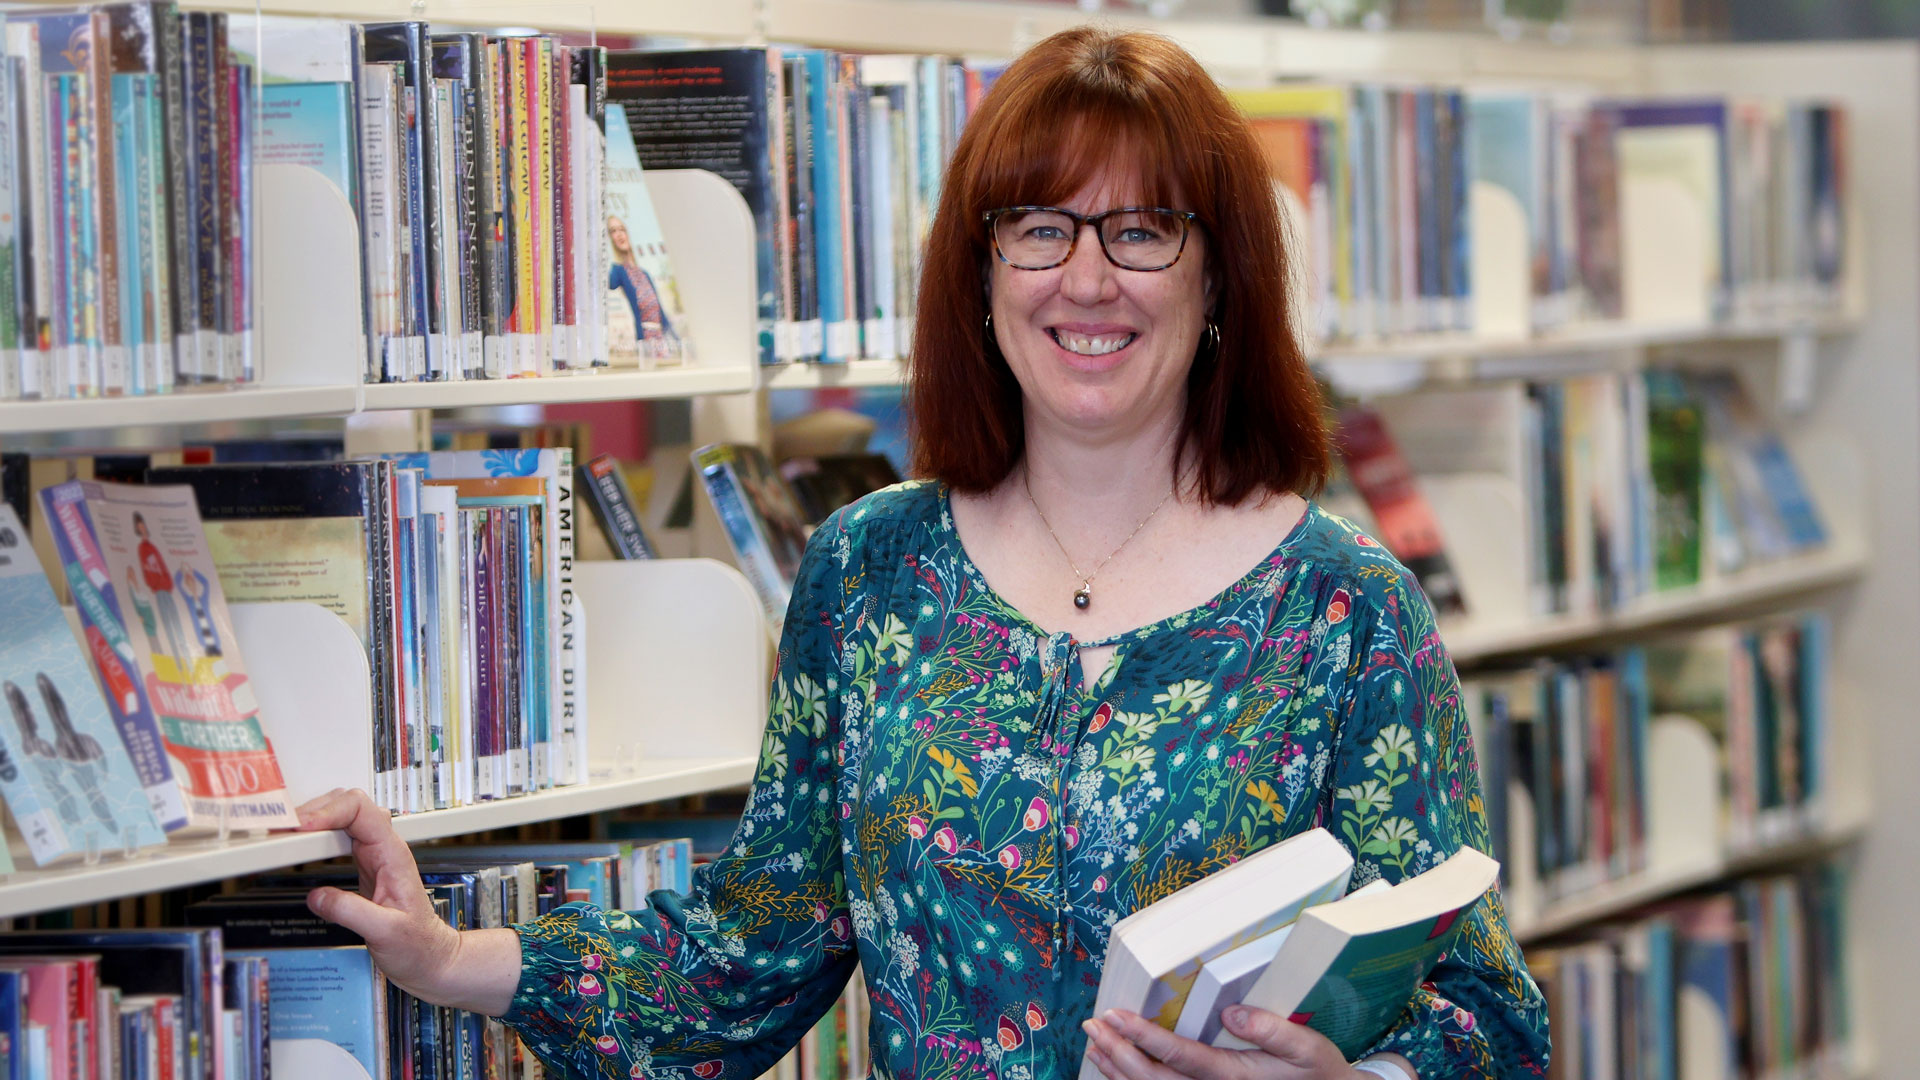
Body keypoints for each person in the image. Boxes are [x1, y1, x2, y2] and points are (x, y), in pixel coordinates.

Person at [298, 26, 1551, 1080]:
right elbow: (748, 956)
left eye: (1144, 231)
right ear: (982, 270)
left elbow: (1488, 1013)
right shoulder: (867, 576)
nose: (1087, 279)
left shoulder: (1345, 609)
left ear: (1218, 278)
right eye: (1040, 229)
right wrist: (454, 959)